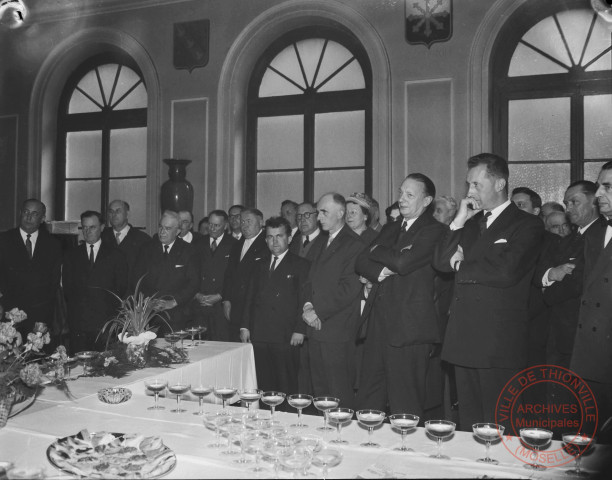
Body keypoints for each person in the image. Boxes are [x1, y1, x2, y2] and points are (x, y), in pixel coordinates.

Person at [433, 153, 544, 431]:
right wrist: (458, 220)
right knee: (470, 424)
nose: (469, 192)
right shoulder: (469, 224)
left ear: (499, 184)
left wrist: (460, 263)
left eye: (476, 185)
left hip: (498, 344)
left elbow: (506, 272)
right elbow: (439, 263)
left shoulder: (526, 224)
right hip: (464, 339)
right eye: (468, 184)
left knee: (501, 426)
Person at [355, 174, 447, 416]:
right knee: (369, 398)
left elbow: (404, 263)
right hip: (378, 325)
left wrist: (380, 250)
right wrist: (383, 269)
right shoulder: (391, 227)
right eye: (400, 193)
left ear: (427, 201)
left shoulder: (435, 230)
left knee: (404, 403)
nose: (401, 199)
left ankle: (406, 450)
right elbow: (361, 261)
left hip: (410, 329)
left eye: (409, 195)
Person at [302, 193, 363, 409]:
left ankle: (342, 438)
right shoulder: (320, 241)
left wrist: (318, 311)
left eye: (324, 212)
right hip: (315, 326)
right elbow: (308, 279)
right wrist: (308, 306)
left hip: (337, 329)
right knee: (319, 392)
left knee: (339, 392)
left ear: (341, 213)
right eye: (318, 211)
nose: (319, 217)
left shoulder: (354, 244)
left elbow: (349, 288)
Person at [241, 217, 310, 394]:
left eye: (279, 236)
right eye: (270, 237)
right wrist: (245, 326)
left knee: (286, 384)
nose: (275, 241)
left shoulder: (301, 265)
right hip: (260, 334)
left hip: (286, 335)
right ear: (265, 240)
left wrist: (300, 329)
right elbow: (249, 298)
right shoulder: (258, 264)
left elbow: (305, 300)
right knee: (263, 382)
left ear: (289, 238)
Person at [536, 181, 599, 368]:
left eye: (574, 202)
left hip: (584, 331)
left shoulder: (601, 235)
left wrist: (545, 292)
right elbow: (539, 269)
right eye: (566, 203)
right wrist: (551, 274)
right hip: (560, 330)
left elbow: (577, 281)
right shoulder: (567, 239)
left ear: (594, 202)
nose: (568, 208)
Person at [571, 162, 612, 440]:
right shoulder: (594, 234)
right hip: (590, 357)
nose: (599, 193)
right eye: (599, 186)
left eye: (607, 186)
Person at [62, 211, 127, 353]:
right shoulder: (71, 255)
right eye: (84, 227)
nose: (87, 231)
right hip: (79, 325)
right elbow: (67, 290)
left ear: (102, 227)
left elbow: (121, 289)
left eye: (92, 227)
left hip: (105, 325)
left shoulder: (116, 255)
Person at [0, 199, 62, 339]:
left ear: (42, 219)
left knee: (38, 359)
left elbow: (54, 282)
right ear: (20, 213)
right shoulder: (4, 240)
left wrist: (46, 314)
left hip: (40, 317)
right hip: (9, 314)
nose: (29, 217)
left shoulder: (53, 245)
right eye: (26, 212)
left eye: (34, 214)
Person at [133, 211, 199, 333]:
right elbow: (137, 280)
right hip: (149, 314)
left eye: (167, 228)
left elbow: (193, 283)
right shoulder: (146, 249)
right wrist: (147, 301)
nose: (162, 232)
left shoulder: (189, 250)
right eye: (160, 227)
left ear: (178, 231)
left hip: (177, 315)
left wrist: (174, 302)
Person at [289, 201, 327, 396]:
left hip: (313, 310)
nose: (303, 220)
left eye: (307, 215)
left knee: (314, 369)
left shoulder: (326, 241)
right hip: (291, 309)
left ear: (317, 216)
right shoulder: (293, 241)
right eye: (299, 216)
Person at [222, 208, 268, 342]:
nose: (244, 225)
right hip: (235, 308)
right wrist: (226, 300)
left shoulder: (267, 244)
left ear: (260, 222)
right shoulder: (236, 245)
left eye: (249, 221)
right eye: (242, 221)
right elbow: (229, 275)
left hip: (254, 309)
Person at [194, 210, 237, 341]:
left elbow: (235, 276)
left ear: (225, 225)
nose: (212, 228)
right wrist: (196, 294)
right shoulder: (198, 243)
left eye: (216, 225)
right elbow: (191, 272)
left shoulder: (234, 245)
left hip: (220, 305)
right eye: (210, 224)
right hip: (200, 304)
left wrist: (219, 296)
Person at [101, 199, 151, 286]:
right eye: (111, 211)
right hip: (107, 294)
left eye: (118, 211)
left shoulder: (143, 240)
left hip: (133, 295)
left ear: (127, 214)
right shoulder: (101, 238)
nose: (114, 214)